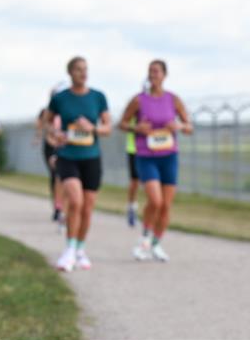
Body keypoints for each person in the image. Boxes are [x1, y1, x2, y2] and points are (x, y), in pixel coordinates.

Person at [119, 59, 193, 262]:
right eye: (150, 71)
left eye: (157, 71)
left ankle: (156, 243)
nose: (153, 75)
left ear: (164, 75)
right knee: (155, 200)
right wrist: (136, 128)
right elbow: (122, 123)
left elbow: (189, 127)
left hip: (169, 156)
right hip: (146, 156)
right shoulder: (138, 100)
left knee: (166, 206)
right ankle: (144, 238)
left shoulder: (173, 99)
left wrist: (178, 126)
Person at [46, 57, 111, 272]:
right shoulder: (61, 98)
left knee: (88, 207)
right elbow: (47, 123)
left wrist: (92, 127)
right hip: (68, 156)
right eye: (78, 70)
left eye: (85, 69)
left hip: (91, 157)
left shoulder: (98, 97)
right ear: (70, 73)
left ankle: (81, 249)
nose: (83, 73)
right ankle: (69, 249)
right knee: (75, 201)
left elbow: (107, 128)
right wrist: (56, 134)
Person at [37, 83, 68, 228]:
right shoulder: (49, 112)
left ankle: (64, 207)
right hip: (52, 147)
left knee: (66, 178)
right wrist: (53, 141)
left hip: (67, 147)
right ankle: (58, 206)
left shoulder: (69, 111)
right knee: (56, 175)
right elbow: (44, 127)